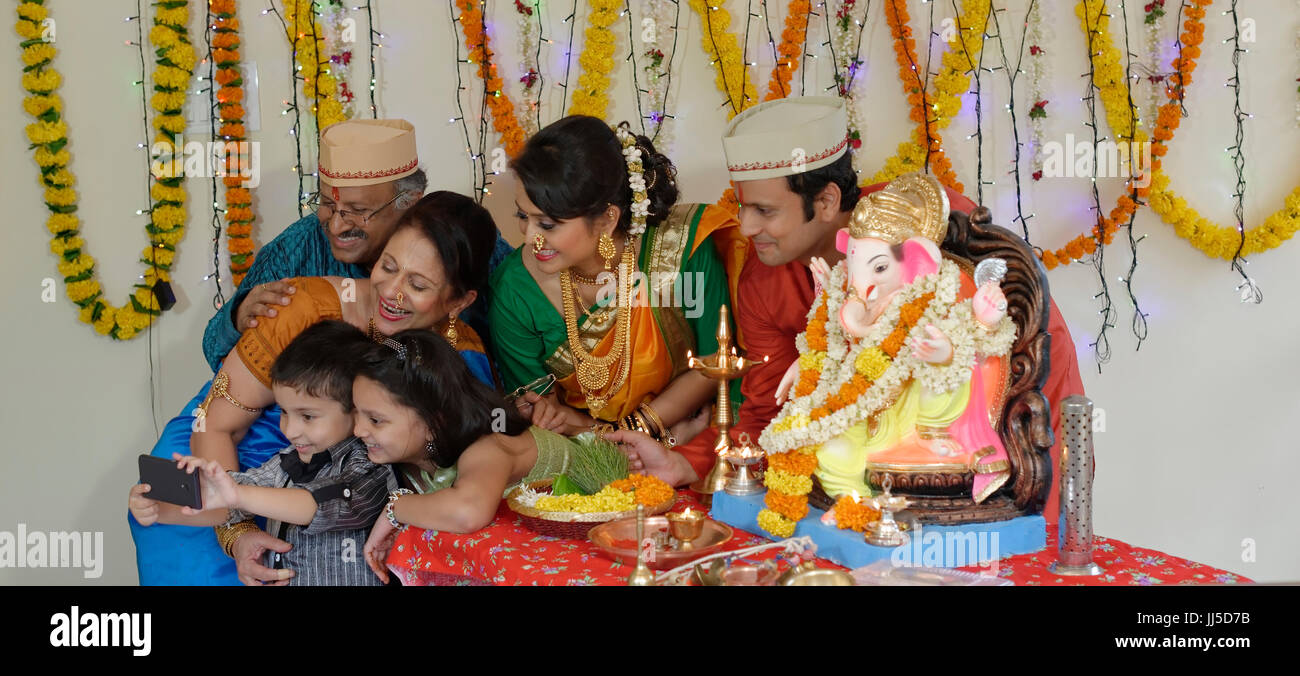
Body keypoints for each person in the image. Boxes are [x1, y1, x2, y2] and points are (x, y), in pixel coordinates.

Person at [622, 96, 1085, 524]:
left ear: (825, 201)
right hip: (862, 484)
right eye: (744, 207)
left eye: (764, 210)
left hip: (996, 445)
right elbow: (768, 412)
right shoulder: (763, 281)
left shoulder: (918, 221)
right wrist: (685, 462)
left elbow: (1027, 341)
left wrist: (1035, 481)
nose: (745, 227)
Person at [129, 191, 499, 585]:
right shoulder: (302, 308)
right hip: (234, 452)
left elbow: (446, 474)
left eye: (419, 285)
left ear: (459, 300)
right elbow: (217, 425)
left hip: (341, 489)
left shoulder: (462, 361)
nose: (390, 292)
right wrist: (237, 533)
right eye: (387, 266)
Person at [488, 116, 748, 450]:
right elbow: (541, 412)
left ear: (608, 218)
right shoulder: (514, 291)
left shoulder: (682, 248)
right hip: (587, 452)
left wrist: (645, 431)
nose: (531, 239)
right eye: (523, 217)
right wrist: (608, 438)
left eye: (548, 225)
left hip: (696, 436)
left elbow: (714, 362)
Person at [201, 118, 511, 372]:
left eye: (359, 212)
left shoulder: (461, 241)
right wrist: (238, 315)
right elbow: (214, 348)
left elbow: (517, 333)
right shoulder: (296, 248)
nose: (336, 226)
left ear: (409, 202)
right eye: (326, 204)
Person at [128, 321, 395, 585]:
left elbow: (321, 505)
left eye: (308, 416)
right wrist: (160, 509)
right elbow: (228, 506)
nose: (290, 430)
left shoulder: (369, 466)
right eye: (284, 412)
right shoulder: (287, 461)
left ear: (357, 410)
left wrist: (239, 494)